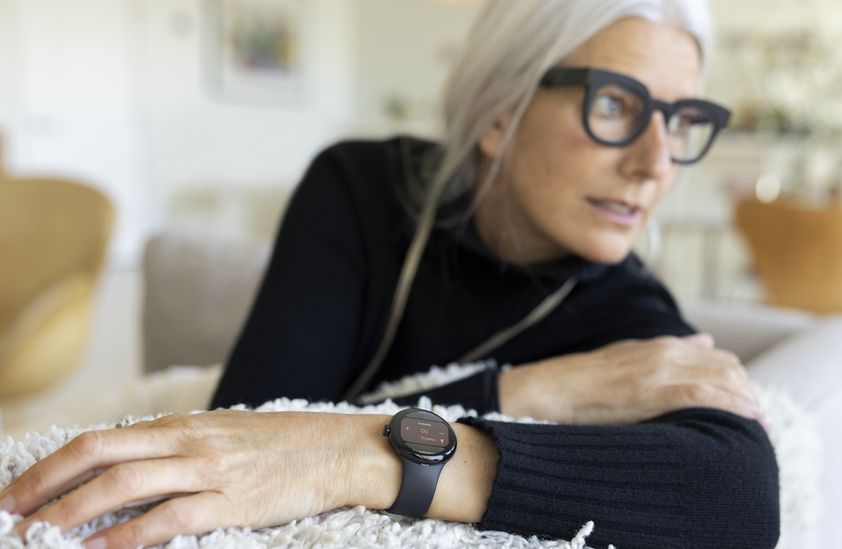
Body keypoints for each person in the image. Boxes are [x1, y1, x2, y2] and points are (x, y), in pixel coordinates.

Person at [0, 1, 780, 548]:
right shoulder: (361, 187)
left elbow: (740, 497)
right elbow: (246, 421)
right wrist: (531, 394)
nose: (655, 164)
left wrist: (359, 453)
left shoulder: (630, 306)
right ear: (500, 108)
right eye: (616, 104)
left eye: (681, 123)